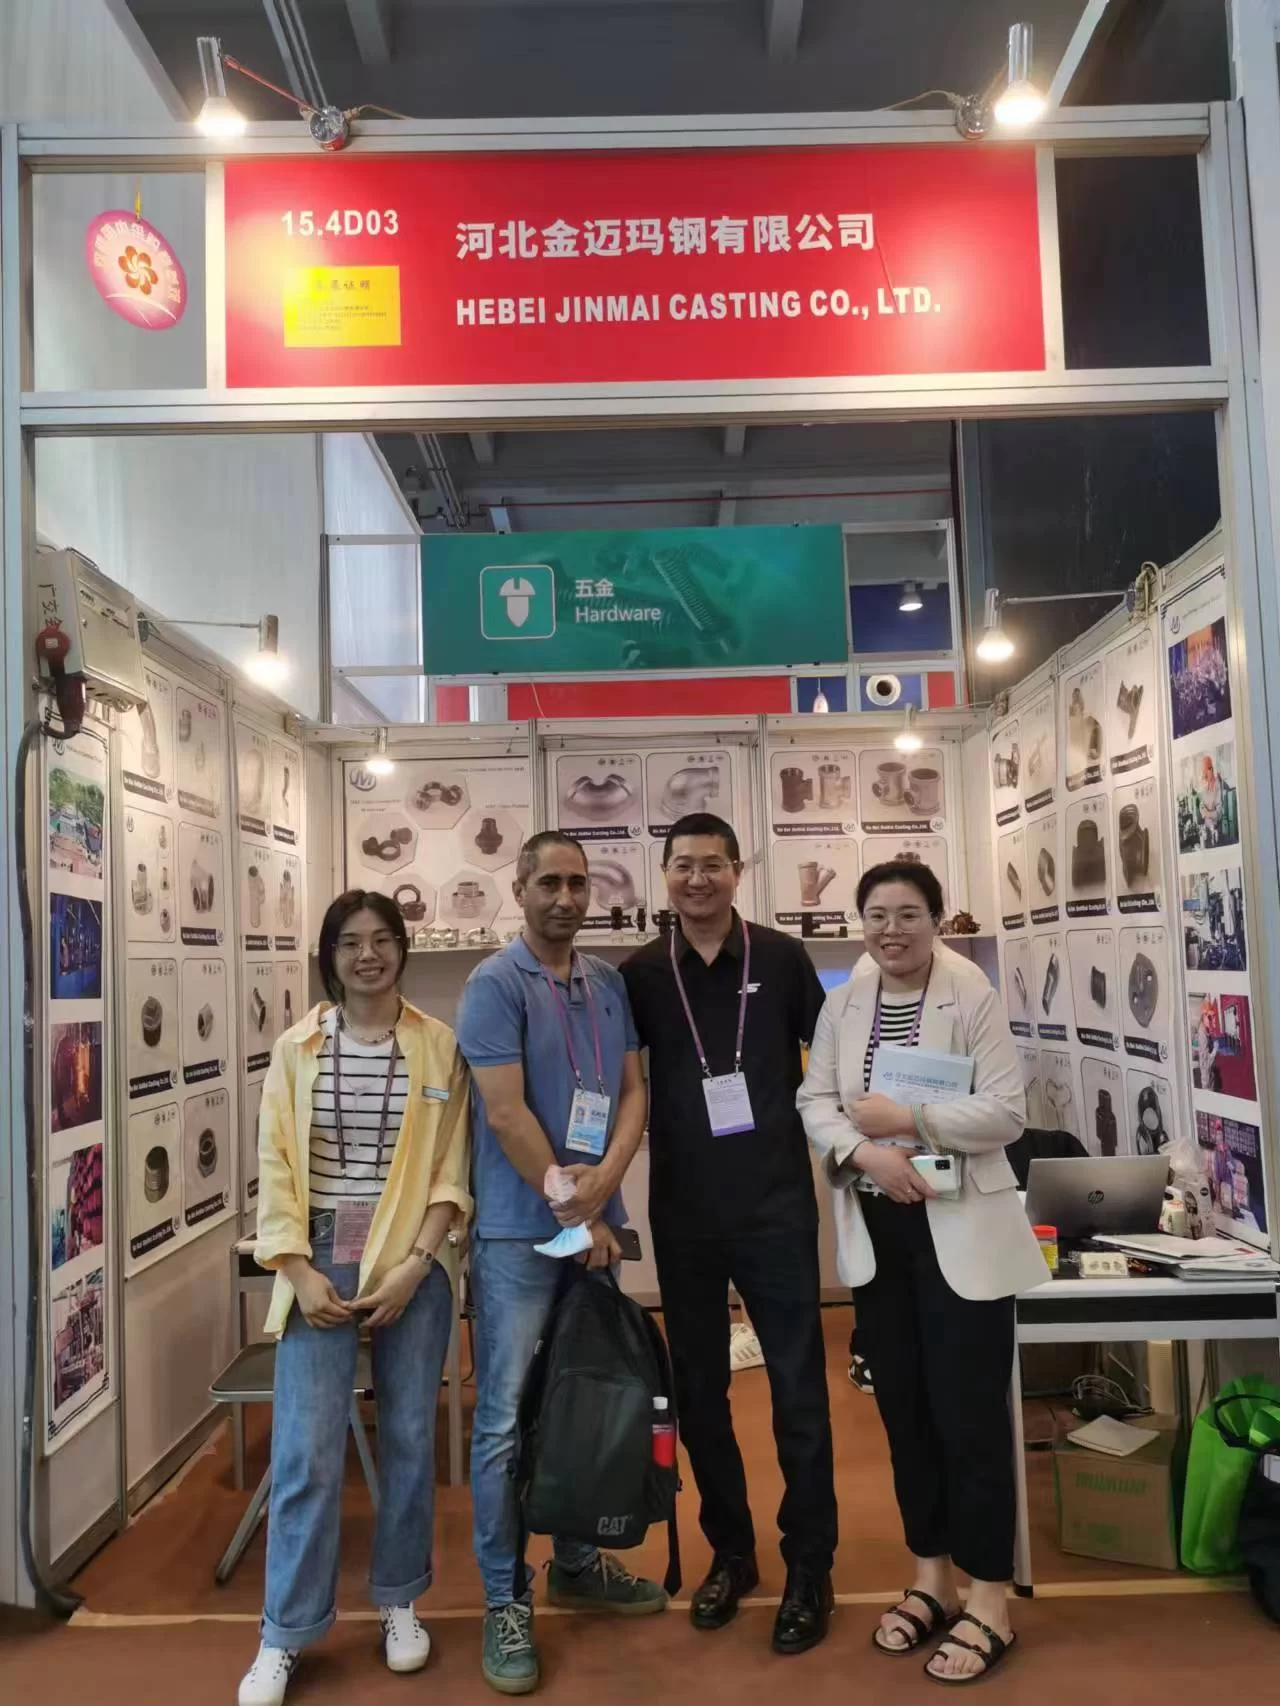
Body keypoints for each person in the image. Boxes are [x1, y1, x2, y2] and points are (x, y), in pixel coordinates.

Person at [797, 860, 1046, 1686]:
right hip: (881, 1232)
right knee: (905, 1415)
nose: (891, 929)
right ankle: (932, 1578)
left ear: (937, 919)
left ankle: (989, 1600)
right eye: (877, 914)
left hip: (959, 1230)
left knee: (969, 1419)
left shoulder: (969, 993)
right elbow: (814, 1099)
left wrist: (911, 1119)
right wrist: (865, 1151)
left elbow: (1007, 1112)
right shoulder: (846, 1001)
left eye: (908, 914)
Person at [239, 891, 472, 1706]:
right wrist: (298, 1272)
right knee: (305, 1451)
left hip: (412, 1257)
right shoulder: (296, 1048)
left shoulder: (438, 1046)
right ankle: (284, 1631)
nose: (367, 955)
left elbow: (451, 1171)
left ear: (402, 948)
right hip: (318, 1257)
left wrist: (417, 1264)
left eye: (381, 940)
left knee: (408, 1437)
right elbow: (275, 1167)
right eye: (349, 943)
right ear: (329, 955)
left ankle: (400, 1600)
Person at [621, 813, 837, 1655]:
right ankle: (733, 1552)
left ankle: (810, 1563)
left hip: (777, 1206)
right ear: (665, 875)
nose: (697, 879)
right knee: (701, 1394)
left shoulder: (780, 959)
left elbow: (834, 1056)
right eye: (683, 865)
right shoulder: (641, 973)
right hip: (685, 1214)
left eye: (713, 865)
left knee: (798, 1392)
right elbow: (622, 1083)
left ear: (738, 872)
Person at [456, 831, 663, 1697]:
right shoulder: (494, 984)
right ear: (520, 889)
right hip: (520, 1238)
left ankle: (577, 1563)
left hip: (594, 1225)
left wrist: (606, 1185)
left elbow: (634, 1092)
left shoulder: (607, 983)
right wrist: (574, 1210)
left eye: (579, 883)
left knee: (584, 1399)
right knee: (506, 1421)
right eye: (549, 882)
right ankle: (506, 1599)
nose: (567, 898)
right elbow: (505, 1114)